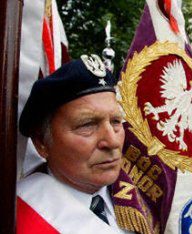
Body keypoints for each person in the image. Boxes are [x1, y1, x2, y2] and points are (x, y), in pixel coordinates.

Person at [17, 55, 131, 233]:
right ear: (41, 143)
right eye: (88, 125)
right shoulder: (17, 218)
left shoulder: (142, 197)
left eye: (116, 121)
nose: (113, 141)